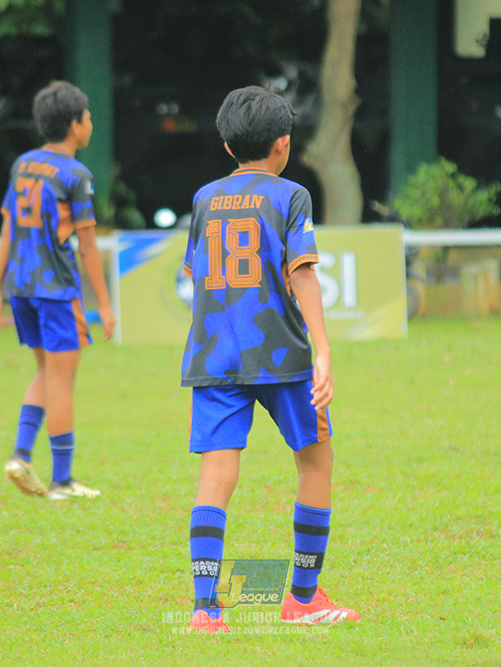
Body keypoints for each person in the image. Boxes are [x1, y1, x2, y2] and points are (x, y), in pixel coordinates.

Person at [181, 86, 359, 633]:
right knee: (316, 460)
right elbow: (301, 271)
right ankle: (302, 598)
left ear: (229, 146)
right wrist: (323, 349)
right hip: (283, 356)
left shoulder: (205, 198)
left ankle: (207, 610)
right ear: (283, 144)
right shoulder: (291, 196)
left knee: (216, 478)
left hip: (215, 358)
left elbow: (196, 273)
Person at [0, 80, 116, 501]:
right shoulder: (76, 174)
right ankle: (62, 480)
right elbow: (88, 247)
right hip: (56, 290)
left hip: (21, 287)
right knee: (61, 381)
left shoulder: (24, 164)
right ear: (75, 125)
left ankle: (20, 455)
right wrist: (105, 306)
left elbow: (8, 230)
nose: (90, 123)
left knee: (45, 372)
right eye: (88, 117)